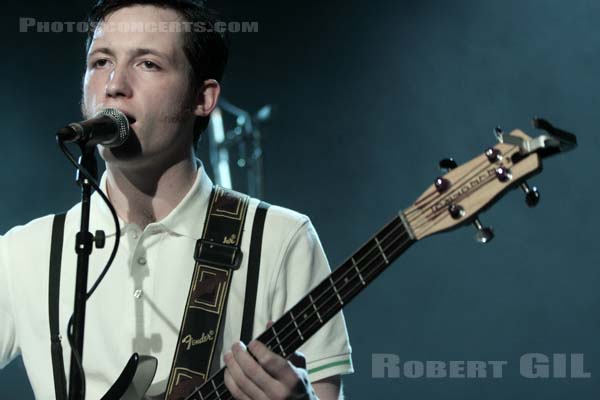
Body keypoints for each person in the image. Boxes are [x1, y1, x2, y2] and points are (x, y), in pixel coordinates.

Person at [0, 1, 353, 399]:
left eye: (148, 64)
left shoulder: (280, 239)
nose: (114, 84)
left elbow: (325, 392)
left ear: (202, 98)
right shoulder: (23, 253)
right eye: (100, 62)